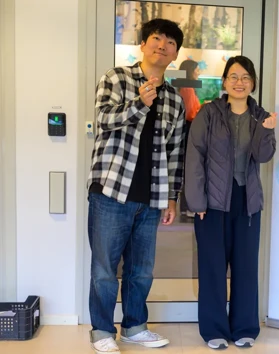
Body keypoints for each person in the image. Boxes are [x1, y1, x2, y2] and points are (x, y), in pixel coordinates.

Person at [86, 18, 185, 354]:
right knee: (103, 269)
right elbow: (103, 119)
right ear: (143, 45)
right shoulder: (116, 78)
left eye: (170, 42)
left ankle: (134, 327)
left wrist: (172, 198)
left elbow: (175, 153)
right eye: (156, 38)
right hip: (112, 192)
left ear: (174, 54)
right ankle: (101, 330)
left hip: (151, 197)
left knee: (141, 271)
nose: (162, 45)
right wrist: (139, 103)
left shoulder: (174, 99)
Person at [185, 55, 277, 350]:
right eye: (234, 77)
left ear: (253, 83)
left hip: (247, 201)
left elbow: (263, 156)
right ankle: (213, 329)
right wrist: (197, 201)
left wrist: (267, 129)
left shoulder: (260, 115)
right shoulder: (209, 113)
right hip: (212, 201)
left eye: (246, 77)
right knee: (212, 266)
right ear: (224, 82)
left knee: (246, 266)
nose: (240, 83)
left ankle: (244, 328)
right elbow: (195, 156)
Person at [177, 59, 202, 217]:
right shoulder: (187, 88)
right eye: (197, 70)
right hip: (189, 130)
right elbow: (190, 112)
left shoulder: (185, 87)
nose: (198, 73)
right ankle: (188, 207)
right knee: (190, 169)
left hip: (186, 129)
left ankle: (186, 206)